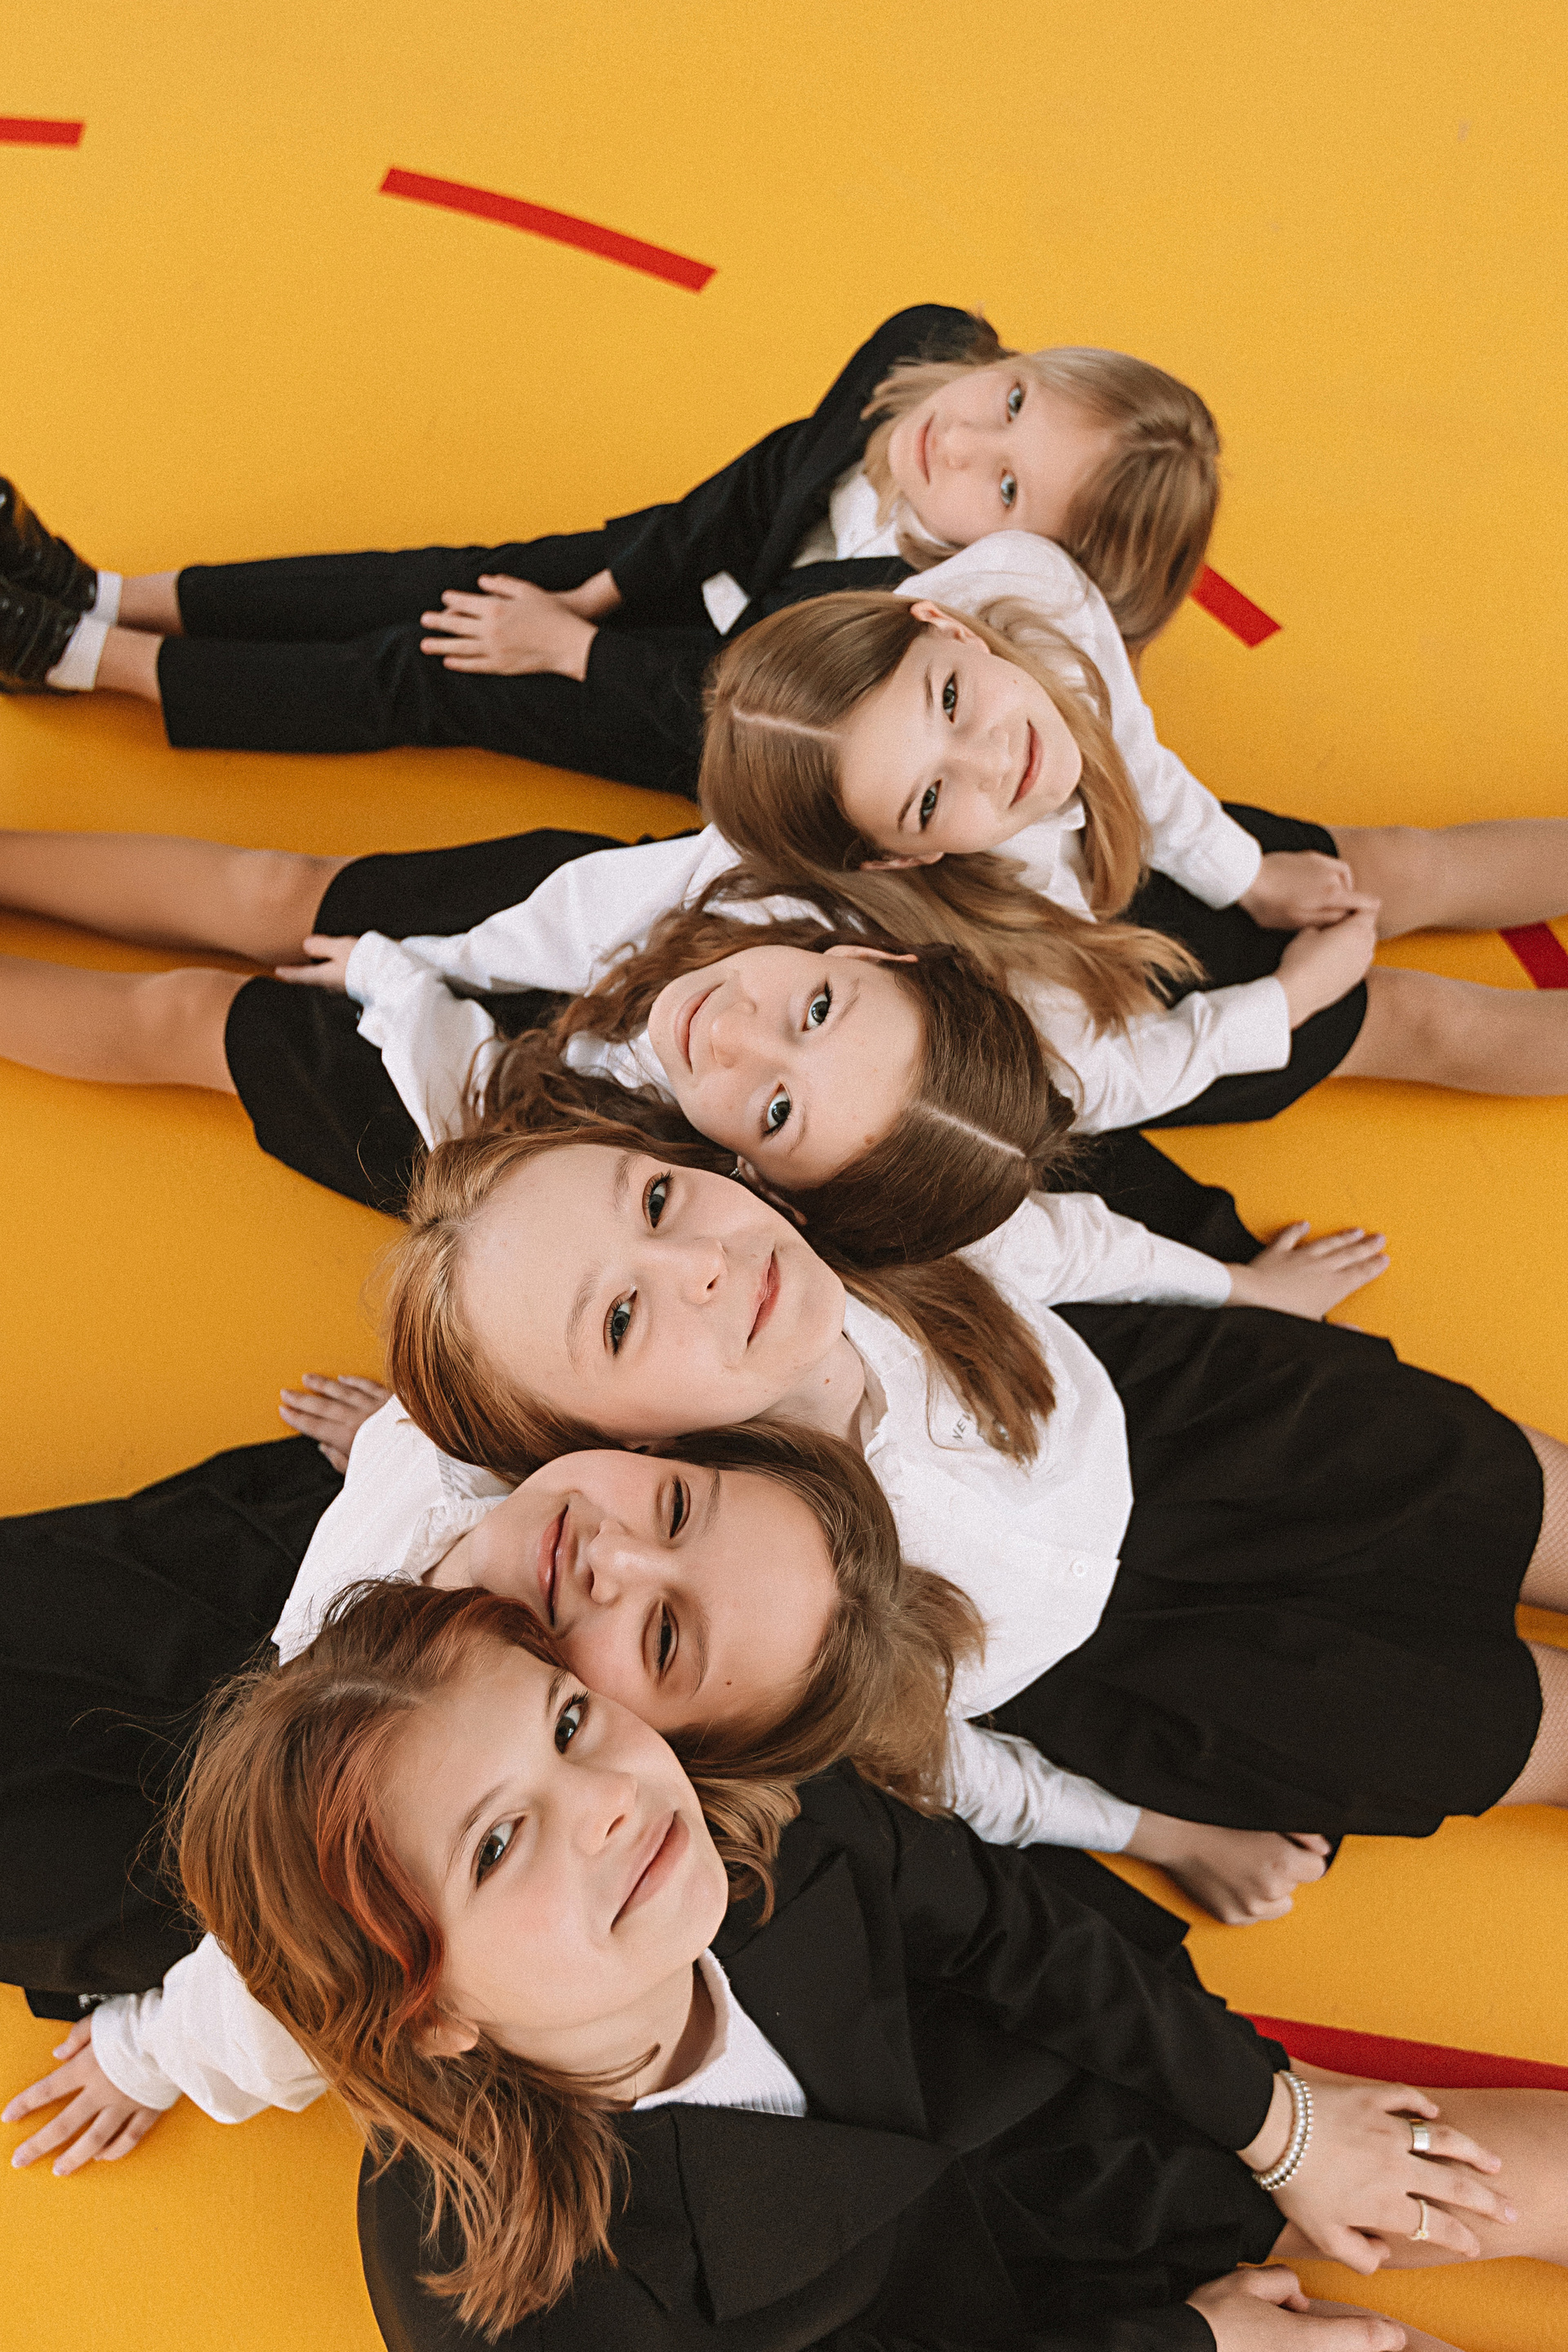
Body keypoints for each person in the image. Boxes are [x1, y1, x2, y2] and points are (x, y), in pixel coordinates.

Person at [65, 1581, 1568, 2349]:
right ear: (435, 2014)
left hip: (1073, 2136)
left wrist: (1284, 2127)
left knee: (1514, 2172)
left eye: (571, 1723)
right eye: (501, 1843)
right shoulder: (499, 2295)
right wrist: (1187, 2345)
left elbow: (1027, 1935)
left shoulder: (778, 1821)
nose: (607, 1801)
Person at [381, 1121, 1568, 1861]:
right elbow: (941, 1761)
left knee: (1499, 1492)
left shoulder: (862, 1229)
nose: (700, 1262)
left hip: (1203, 1418)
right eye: (620, 1320)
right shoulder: (735, 1605)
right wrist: (1163, 1836)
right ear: (598, 1443)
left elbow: (1066, 1241)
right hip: (1155, 1680)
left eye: (655, 1201)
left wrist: (1242, 1288)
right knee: (1473, 1732)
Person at [0, 308, 1218, 779]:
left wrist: (567, 648)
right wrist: (596, 585)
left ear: (1022, 563)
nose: (958, 439)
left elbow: (737, 695)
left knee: (434, 669)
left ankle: (70, 655)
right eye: (1010, 401)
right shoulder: (924, 357)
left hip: (723, 713)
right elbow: (756, 487)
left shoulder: (922, 622)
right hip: (699, 586)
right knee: (449, 578)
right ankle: (104, 591)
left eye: (1004, 487)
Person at [697, 554, 1568, 1118]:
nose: (994, 761)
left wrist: (1244, 874)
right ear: (902, 855)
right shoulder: (969, 972)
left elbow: (1129, 754)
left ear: (947, 625)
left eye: (952, 699)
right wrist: (1291, 1000)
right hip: (1098, 987)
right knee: (1418, 1020)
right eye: (930, 797)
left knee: (1403, 865)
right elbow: (1096, 1083)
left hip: (1118, 842)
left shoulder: (1025, 589)